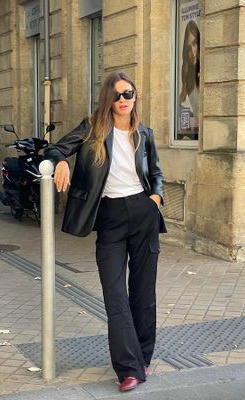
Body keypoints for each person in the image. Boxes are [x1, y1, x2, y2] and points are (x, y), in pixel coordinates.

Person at [45, 71, 166, 392]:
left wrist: (155, 199)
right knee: (115, 294)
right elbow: (53, 149)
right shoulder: (91, 129)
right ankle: (128, 367)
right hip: (110, 217)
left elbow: (156, 173)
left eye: (128, 94)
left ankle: (143, 357)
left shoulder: (145, 134)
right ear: (107, 99)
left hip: (143, 214)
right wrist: (61, 163)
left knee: (143, 292)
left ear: (135, 96)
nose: (123, 100)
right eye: (116, 95)